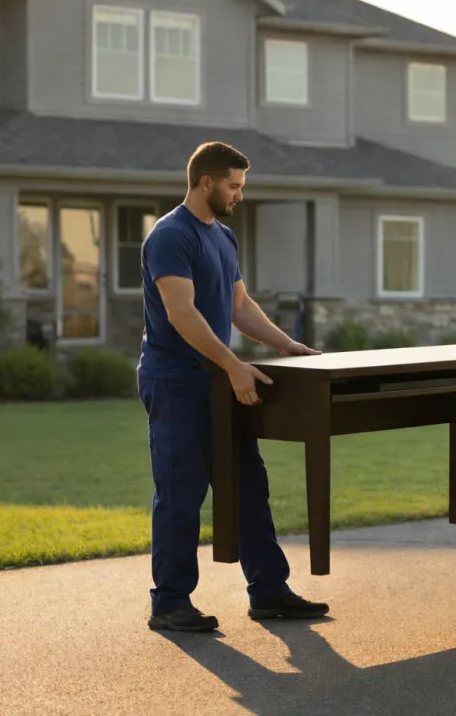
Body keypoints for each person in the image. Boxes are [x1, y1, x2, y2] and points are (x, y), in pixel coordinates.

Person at [137, 141, 329, 632]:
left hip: (216, 382)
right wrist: (233, 366)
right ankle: (170, 601)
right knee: (181, 491)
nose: (239, 195)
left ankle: (269, 591)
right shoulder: (169, 236)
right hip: (176, 382)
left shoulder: (222, 236)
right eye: (234, 186)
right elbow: (183, 313)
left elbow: (240, 307)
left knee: (247, 484)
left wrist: (289, 346)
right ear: (206, 182)